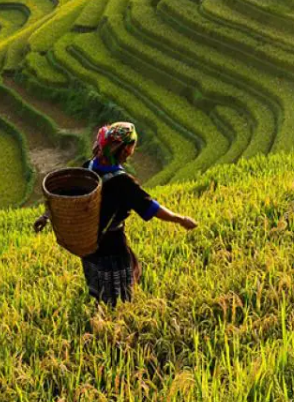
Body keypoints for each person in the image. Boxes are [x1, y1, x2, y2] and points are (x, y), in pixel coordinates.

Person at [34, 122, 197, 305]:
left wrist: (46, 215)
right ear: (126, 150)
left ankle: (100, 311)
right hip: (112, 246)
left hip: (89, 243)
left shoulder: (88, 168)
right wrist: (180, 219)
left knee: (97, 285)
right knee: (119, 297)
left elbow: (66, 199)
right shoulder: (123, 182)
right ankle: (114, 322)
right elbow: (151, 207)